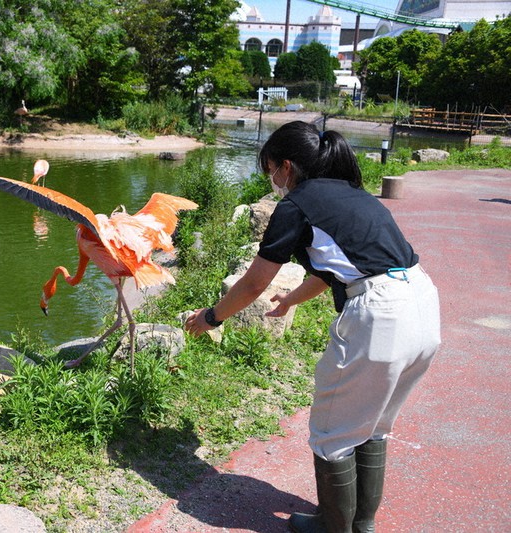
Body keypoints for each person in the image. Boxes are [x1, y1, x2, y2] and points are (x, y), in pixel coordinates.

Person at [184, 121, 441, 533]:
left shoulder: (297, 204)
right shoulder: (351, 195)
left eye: (269, 170)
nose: (271, 181)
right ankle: (362, 524)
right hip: (422, 302)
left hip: (381, 314)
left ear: (287, 167)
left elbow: (253, 283)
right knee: (373, 424)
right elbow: (332, 269)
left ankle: (332, 528)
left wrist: (211, 317)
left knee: (332, 432)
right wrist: (291, 300)